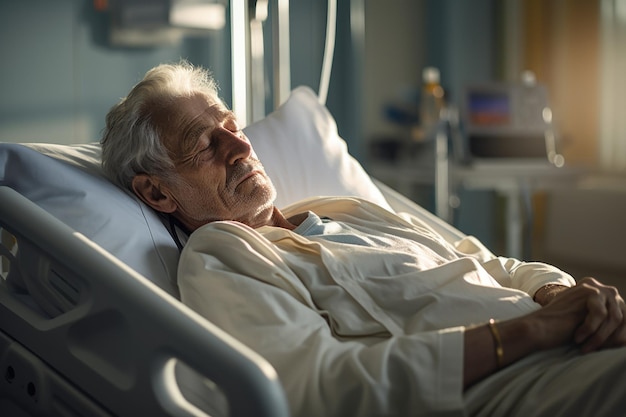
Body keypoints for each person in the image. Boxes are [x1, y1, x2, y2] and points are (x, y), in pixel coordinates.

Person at [101, 62, 626, 417]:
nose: (240, 146)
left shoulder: (347, 209)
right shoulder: (223, 256)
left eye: (232, 127)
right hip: (510, 388)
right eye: (204, 145)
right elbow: (321, 387)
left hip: (574, 342)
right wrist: (532, 332)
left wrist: (564, 296)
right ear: (157, 192)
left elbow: (492, 264)